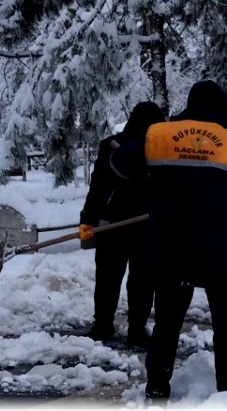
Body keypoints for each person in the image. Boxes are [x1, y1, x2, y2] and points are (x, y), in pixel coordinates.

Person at [110, 80, 227, 399]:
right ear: (224, 110)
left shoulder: (158, 135)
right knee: (225, 324)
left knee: (167, 323)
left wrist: (150, 180)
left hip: (171, 251)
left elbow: (119, 163)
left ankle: (157, 384)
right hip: (221, 252)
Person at [78, 101, 165, 345]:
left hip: (128, 224)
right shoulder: (113, 147)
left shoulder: (160, 149)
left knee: (119, 278)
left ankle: (116, 326)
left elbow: (97, 188)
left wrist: (88, 218)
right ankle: (122, 327)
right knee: (135, 280)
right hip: (122, 225)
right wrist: (87, 220)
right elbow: (99, 185)